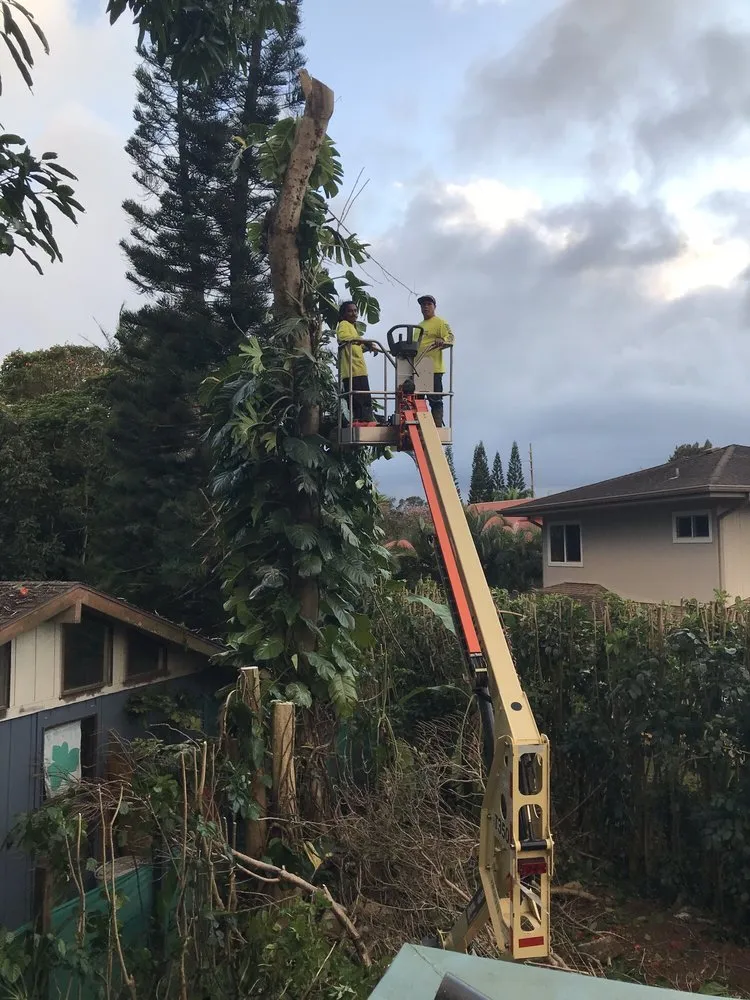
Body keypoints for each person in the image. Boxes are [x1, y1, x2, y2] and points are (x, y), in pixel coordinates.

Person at [416, 294, 454, 427]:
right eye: (423, 305)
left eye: (428, 304)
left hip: (433, 367)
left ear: (434, 306)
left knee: (435, 399)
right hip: (420, 367)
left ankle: (437, 426)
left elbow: (451, 338)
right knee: (418, 400)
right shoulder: (419, 326)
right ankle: (423, 425)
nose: (425, 307)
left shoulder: (440, 322)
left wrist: (442, 341)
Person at [336, 300, 375, 424]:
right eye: (350, 311)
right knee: (359, 401)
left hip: (359, 369)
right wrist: (363, 340)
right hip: (352, 371)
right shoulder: (343, 324)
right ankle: (362, 423)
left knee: (365, 399)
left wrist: (367, 347)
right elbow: (343, 338)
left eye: (355, 311)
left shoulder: (353, 327)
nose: (354, 313)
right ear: (343, 314)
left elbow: (354, 345)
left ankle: (366, 422)